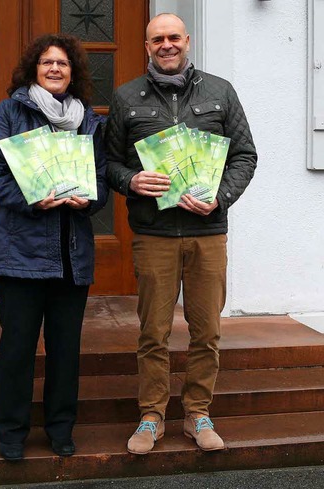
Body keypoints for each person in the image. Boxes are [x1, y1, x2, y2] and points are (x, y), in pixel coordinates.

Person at [105, 13, 257, 455]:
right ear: (146, 46)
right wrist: (131, 181)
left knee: (206, 329)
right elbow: (109, 162)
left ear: (187, 41)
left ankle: (197, 414)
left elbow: (245, 156)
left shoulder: (220, 91)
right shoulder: (126, 97)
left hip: (207, 231)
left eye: (174, 37)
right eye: (157, 39)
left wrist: (221, 196)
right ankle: (151, 416)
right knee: (153, 331)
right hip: (153, 233)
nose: (166, 45)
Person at [0, 33, 108, 461]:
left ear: (74, 73)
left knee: (65, 350)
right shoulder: (11, 111)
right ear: (34, 69)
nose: (55, 69)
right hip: (19, 255)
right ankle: (12, 432)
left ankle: (60, 428)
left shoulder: (89, 119)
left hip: (72, 255)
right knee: (17, 348)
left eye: (64, 64)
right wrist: (30, 198)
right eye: (47, 62)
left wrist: (91, 199)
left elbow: (101, 178)